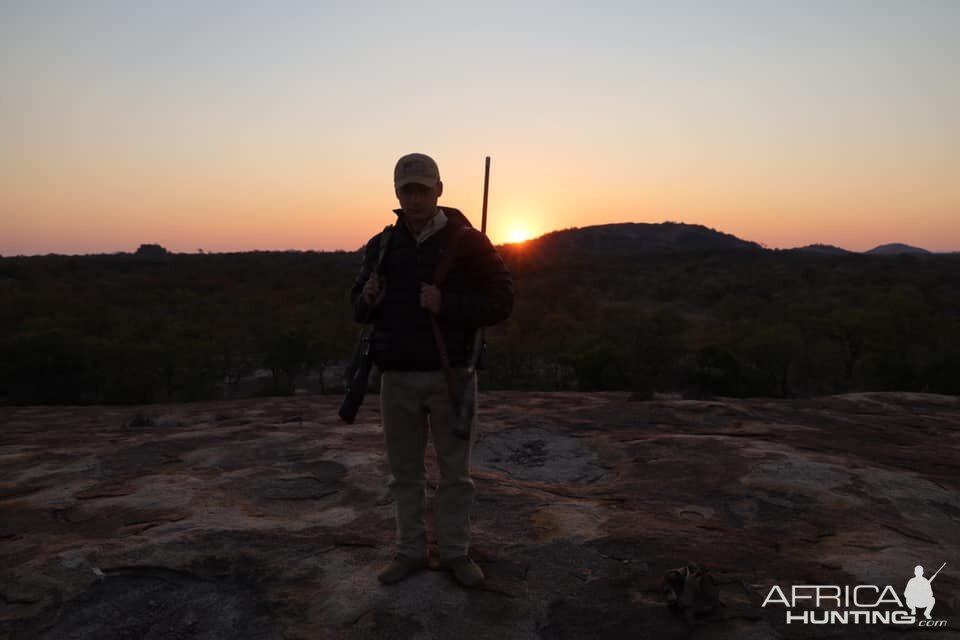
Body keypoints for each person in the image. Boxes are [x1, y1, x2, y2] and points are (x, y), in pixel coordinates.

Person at [350, 152, 513, 587]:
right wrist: (368, 296)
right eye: (408, 190)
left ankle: (456, 554)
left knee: (455, 476)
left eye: (423, 188)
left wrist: (448, 305)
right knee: (404, 474)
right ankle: (411, 552)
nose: (416, 197)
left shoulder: (470, 242)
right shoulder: (382, 245)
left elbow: (502, 302)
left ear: (439, 189)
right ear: (397, 194)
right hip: (396, 377)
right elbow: (358, 311)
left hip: (452, 377)